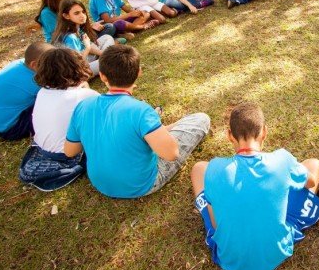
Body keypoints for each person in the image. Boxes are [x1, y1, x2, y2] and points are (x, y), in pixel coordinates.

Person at [190, 102, 319, 270]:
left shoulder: (214, 168)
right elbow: (311, 181)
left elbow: (215, 225)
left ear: (229, 135)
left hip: (229, 258)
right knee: (314, 164)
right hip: (276, 252)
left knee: (199, 168)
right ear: (264, 132)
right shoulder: (283, 160)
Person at [64, 45, 211, 199]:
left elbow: (70, 151)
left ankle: (165, 128)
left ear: (102, 76)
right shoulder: (141, 111)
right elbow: (172, 154)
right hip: (142, 184)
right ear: (139, 72)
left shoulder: (83, 106)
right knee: (201, 118)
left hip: (101, 184)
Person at [19, 48, 97, 191]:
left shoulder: (42, 93)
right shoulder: (85, 96)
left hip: (42, 150)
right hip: (68, 155)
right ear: (78, 68)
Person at [0, 42, 54, 141]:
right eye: (52, 63)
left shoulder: (20, 63)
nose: (55, 66)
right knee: (54, 109)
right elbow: (58, 94)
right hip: (10, 129)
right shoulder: (34, 80)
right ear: (34, 64)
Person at [35, 0, 115, 42]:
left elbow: (80, 24)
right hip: (64, 41)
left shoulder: (69, 4)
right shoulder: (46, 13)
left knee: (109, 27)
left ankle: (95, 44)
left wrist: (90, 27)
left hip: (78, 33)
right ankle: (93, 46)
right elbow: (59, 35)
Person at [52, 0, 115, 76]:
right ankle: (105, 61)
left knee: (107, 37)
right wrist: (88, 47)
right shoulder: (70, 37)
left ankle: (104, 59)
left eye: (83, 12)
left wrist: (104, 54)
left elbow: (84, 47)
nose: (82, 15)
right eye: (77, 13)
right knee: (109, 60)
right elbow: (77, 64)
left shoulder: (77, 28)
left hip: (85, 58)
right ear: (66, 16)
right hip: (76, 72)